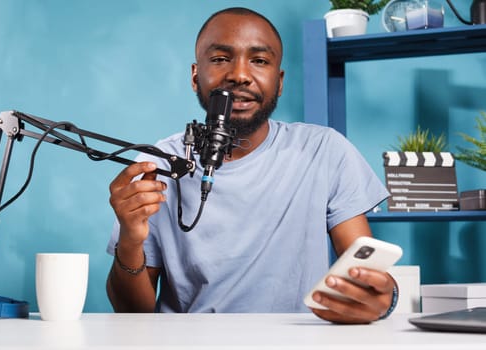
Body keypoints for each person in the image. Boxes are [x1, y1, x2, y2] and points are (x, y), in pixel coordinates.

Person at [106, 7, 396, 323]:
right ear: (194, 76)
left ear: (280, 81)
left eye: (259, 61)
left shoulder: (324, 150)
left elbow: (364, 269)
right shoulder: (158, 165)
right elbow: (131, 313)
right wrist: (130, 240)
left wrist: (382, 298)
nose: (240, 75)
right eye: (219, 59)